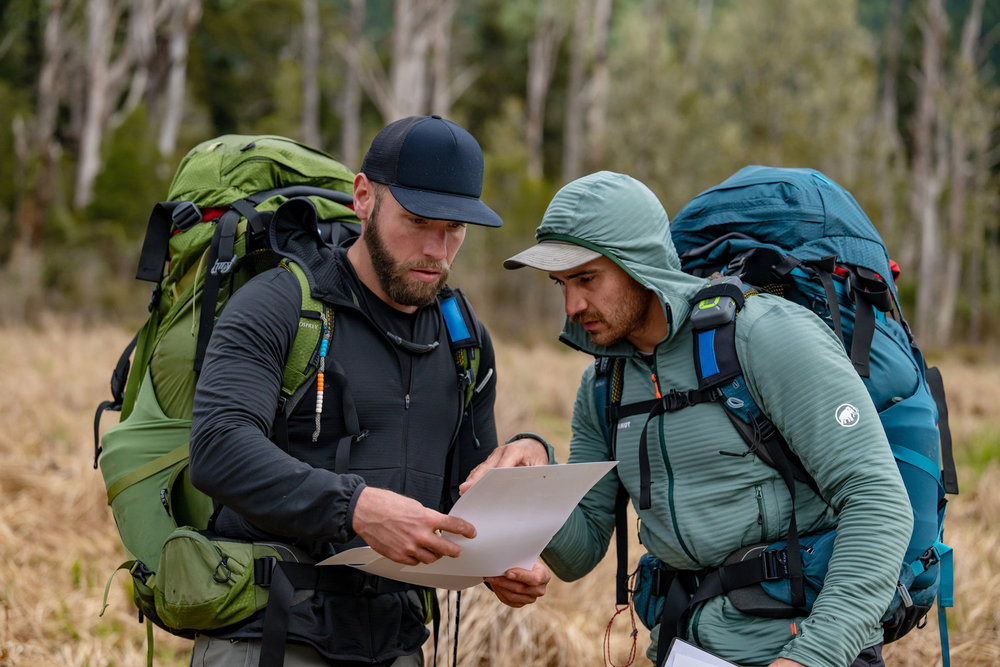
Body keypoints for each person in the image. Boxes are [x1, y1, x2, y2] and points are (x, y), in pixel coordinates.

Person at [486, 170, 913, 667]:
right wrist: (530, 476)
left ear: (638, 263)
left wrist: (813, 657)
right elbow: (579, 551)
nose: (572, 305)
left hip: (804, 650)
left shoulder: (763, 336)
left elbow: (878, 502)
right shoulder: (604, 385)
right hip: (683, 651)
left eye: (586, 279)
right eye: (561, 283)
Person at [188, 115, 550, 667]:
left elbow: (465, 497)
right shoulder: (281, 304)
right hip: (270, 635)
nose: (437, 248)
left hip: (398, 645)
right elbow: (217, 448)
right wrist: (355, 507)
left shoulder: (463, 338)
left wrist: (510, 539)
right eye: (417, 221)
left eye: (455, 229)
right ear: (363, 198)